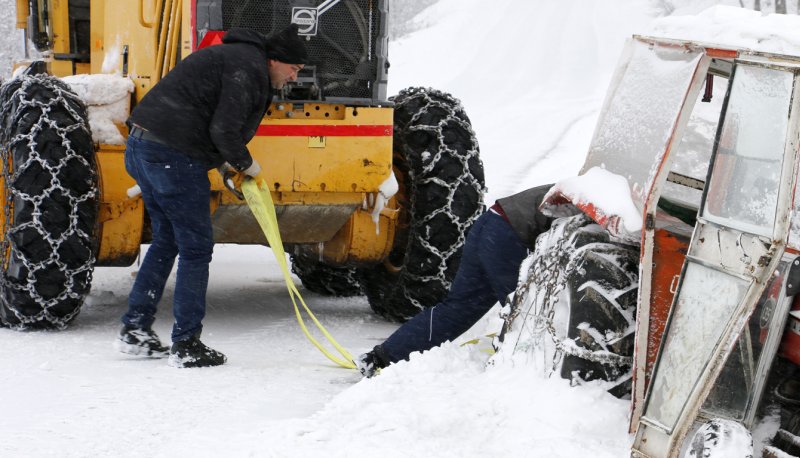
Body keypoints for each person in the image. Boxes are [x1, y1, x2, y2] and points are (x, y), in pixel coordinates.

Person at [114, 26, 309, 368]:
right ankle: (186, 343)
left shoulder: (235, 58)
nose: (294, 76)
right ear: (274, 59)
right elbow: (223, 129)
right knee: (196, 247)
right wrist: (246, 165)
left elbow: (204, 115)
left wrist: (220, 163)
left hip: (143, 146)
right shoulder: (247, 67)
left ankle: (134, 329)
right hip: (172, 155)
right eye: (293, 67)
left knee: (167, 240)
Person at [356, 184, 580, 377]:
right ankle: (520, 372)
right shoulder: (596, 198)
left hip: (490, 222)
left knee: (458, 308)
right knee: (524, 315)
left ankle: (381, 357)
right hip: (507, 235)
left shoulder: (580, 188)